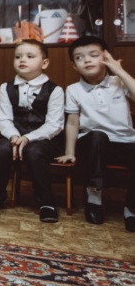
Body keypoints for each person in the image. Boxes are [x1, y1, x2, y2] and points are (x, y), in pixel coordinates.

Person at [0, 39, 65, 222]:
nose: (22, 60)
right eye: (18, 57)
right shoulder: (5, 88)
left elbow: (54, 124)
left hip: (45, 140)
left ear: (44, 63)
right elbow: (4, 119)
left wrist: (28, 138)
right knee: (1, 148)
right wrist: (14, 136)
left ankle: (46, 203)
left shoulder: (55, 90)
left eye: (30, 56)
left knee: (33, 151)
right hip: (14, 135)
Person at [54, 36, 135, 231]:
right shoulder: (73, 90)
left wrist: (119, 70)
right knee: (98, 135)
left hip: (125, 142)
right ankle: (94, 197)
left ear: (106, 58)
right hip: (92, 144)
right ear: (74, 66)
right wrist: (70, 152)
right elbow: (72, 122)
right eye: (80, 58)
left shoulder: (119, 81)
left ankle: (131, 209)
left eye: (93, 55)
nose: (87, 60)